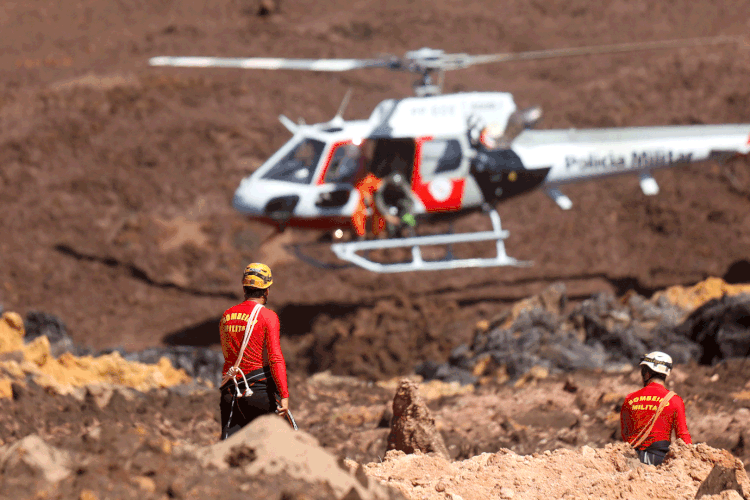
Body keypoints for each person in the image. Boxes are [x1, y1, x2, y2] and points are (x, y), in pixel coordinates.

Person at [218, 263, 291, 439]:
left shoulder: (227, 315)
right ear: (266, 290)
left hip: (230, 393)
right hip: (258, 392)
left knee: (230, 451)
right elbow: (275, 357)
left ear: (244, 288)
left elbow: (228, 354)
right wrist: (284, 394)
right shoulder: (268, 317)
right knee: (277, 446)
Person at [620, 351, 692, 465]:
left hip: (632, 460)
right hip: (660, 459)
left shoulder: (630, 399)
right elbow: (682, 436)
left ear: (647, 374)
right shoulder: (675, 400)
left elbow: (625, 433)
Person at [351, 172, 386, 238]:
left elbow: (379, 185)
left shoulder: (369, 179)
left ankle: (379, 234)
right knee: (358, 214)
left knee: (379, 213)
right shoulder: (354, 180)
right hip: (359, 206)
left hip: (372, 205)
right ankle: (361, 235)